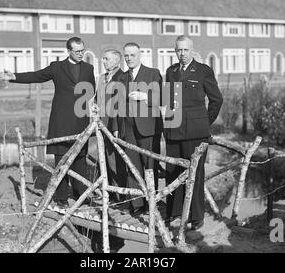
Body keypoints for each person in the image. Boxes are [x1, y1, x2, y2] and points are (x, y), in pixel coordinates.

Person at [0, 37, 95, 208]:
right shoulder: (57, 67)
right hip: (61, 119)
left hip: (81, 119)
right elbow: (37, 75)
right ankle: (62, 197)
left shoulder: (88, 68)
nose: (81, 54)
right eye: (77, 51)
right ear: (69, 51)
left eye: (82, 51)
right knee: (61, 159)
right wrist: (13, 76)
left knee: (80, 158)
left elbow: (91, 90)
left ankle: (82, 195)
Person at [164, 35, 223, 229]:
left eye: (185, 50)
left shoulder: (203, 71)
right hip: (174, 129)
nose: (182, 54)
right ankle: (174, 213)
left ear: (192, 50)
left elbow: (217, 100)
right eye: (179, 50)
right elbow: (168, 99)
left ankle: (196, 217)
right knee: (173, 172)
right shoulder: (171, 71)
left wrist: (205, 123)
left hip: (196, 132)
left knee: (195, 174)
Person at [115, 42, 163, 215]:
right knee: (132, 167)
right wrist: (117, 128)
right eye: (126, 56)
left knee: (150, 166)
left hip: (148, 127)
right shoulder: (121, 78)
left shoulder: (152, 73)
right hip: (128, 129)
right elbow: (117, 107)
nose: (129, 59)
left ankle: (152, 203)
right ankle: (137, 205)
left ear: (139, 54)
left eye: (132, 55)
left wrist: (145, 96)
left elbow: (162, 97)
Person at [95, 49, 126, 203]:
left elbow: (121, 105)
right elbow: (97, 99)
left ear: (116, 61)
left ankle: (121, 194)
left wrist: (117, 127)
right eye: (103, 58)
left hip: (115, 126)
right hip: (102, 124)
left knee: (116, 159)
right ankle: (110, 193)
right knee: (104, 159)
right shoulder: (101, 78)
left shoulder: (123, 78)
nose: (104, 61)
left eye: (107, 59)